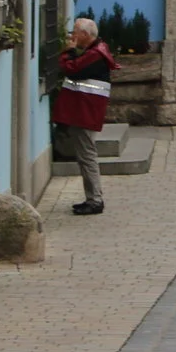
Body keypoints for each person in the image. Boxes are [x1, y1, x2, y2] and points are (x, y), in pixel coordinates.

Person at [52, 16, 115, 216]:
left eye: (75, 31)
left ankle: (95, 200)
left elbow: (71, 69)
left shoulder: (95, 54)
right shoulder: (96, 50)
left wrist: (67, 52)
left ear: (86, 35)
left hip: (86, 112)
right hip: (84, 111)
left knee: (87, 156)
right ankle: (92, 198)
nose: (72, 35)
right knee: (85, 156)